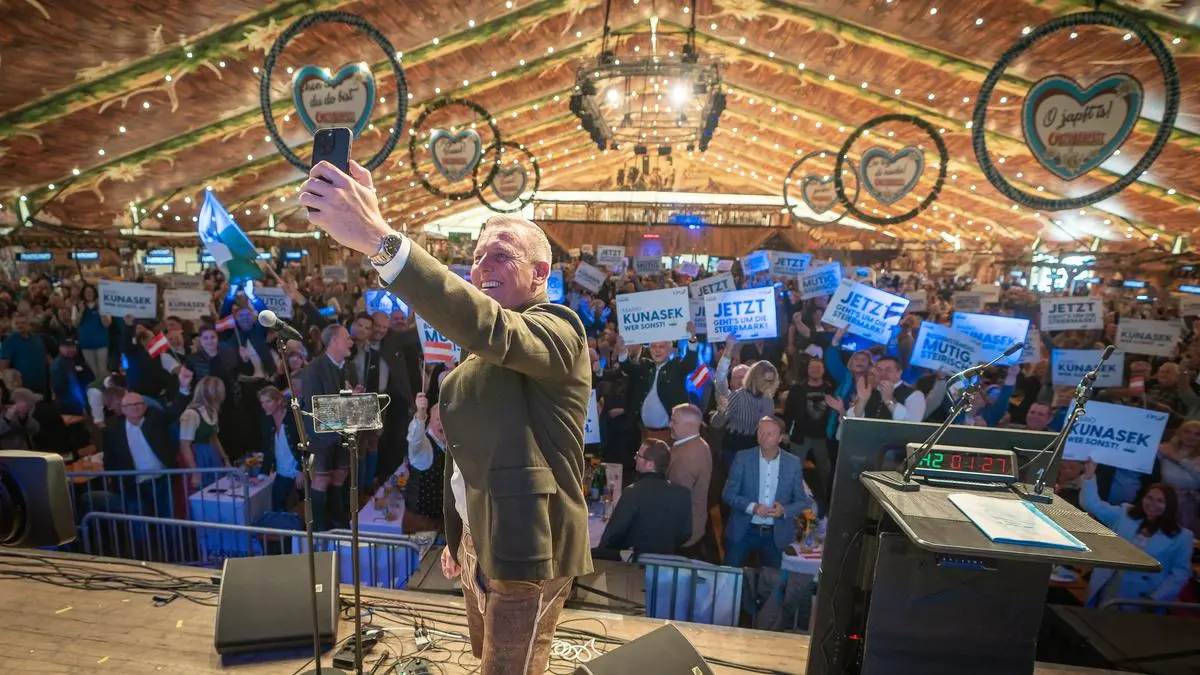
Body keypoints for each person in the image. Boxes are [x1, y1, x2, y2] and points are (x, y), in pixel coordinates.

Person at [302, 159, 591, 675]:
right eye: (477, 259)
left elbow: (489, 328)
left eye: (501, 256)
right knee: (488, 661)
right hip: (483, 541)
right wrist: (458, 540)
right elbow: (467, 458)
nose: (482, 269)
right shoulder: (477, 351)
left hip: (529, 549)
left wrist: (379, 238)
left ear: (540, 273)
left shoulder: (559, 329)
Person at [1080, 459, 1194, 610]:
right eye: (1149, 498)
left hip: (1144, 599)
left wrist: (1154, 599)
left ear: (1170, 506)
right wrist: (1089, 474)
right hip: (1108, 587)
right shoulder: (1124, 514)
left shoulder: (1182, 536)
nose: (1152, 504)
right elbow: (1092, 504)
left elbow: (1179, 573)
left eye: (1160, 501)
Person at [722, 416, 810, 568]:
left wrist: (783, 511)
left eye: (770, 434)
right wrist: (753, 507)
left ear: (781, 438)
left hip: (775, 534)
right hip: (744, 530)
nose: (763, 437)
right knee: (728, 577)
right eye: (760, 432)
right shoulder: (742, 458)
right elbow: (728, 494)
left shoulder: (793, 463)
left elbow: (802, 501)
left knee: (770, 584)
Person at [298, 324, 360, 531]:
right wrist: (348, 399)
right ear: (334, 341)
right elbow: (315, 406)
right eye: (347, 338)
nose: (351, 342)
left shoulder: (349, 367)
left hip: (343, 434)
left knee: (340, 476)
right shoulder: (313, 370)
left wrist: (357, 395)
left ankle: (338, 520)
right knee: (322, 480)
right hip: (321, 438)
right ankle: (318, 527)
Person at [593, 438, 691, 560]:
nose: (635, 458)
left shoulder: (633, 492)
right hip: (667, 564)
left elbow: (614, 534)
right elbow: (685, 533)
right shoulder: (684, 494)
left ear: (649, 464)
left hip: (637, 565)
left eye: (638, 455)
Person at [616, 325, 699, 444]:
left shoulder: (676, 366)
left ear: (669, 349)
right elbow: (627, 366)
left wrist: (692, 340)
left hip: (669, 434)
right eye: (654, 347)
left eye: (661, 346)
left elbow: (690, 362)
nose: (657, 350)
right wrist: (623, 350)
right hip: (644, 432)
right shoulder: (645, 365)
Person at [666, 403, 713, 559]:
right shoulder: (699, 444)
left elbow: (676, 500)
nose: (669, 425)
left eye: (674, 422)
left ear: (690, 425)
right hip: (695, 525)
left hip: (682, 531)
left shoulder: (686, 457)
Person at [403, 391, 447, 532]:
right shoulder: (423, 446)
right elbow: (415, 438)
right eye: (438, 419)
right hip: (420, 524)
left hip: (442, 520)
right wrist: (420, 413)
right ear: (430, 421)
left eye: (447, 419)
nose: (443, 424)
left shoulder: (449, 446)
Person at [178, 374, 230, 490]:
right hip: (197, 456)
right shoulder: (191, 414)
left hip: (211, 453)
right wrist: (195, 472)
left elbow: (214, 437)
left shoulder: (213, 411)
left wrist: (224, 458)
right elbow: (184, 446)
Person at [258, 385, 302, 512]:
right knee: (278, 509)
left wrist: (301, 469)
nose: (264, 406)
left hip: (297, 472)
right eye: (262, 402)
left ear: (279, 401)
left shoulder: (293, 418)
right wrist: (262, 474)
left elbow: (307, 445)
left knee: (298, 511)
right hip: (282, 473)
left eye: (268, 401)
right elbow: (268, 450)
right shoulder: (267, 422)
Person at [847, 356, 926, 422]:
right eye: (879, 370)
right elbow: (851, 419)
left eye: (888, 370)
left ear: (899, 372)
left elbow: (912, 422)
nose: (882, 373)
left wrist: (889, 400)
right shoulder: (869, 391)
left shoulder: (915, 395)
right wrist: (862, 401)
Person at [0, 313, 50, 397]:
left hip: (41, 384)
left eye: (23, 323)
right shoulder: (10, 341)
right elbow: (3, 366)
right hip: (23, 387)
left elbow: (45, 357)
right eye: (17, 323)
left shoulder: (37, 338)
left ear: (29, 324)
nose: (20, 326)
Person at [50, 338, 93, 417]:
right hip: (69, 404)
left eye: (72, 347)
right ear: (60, 348)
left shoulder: (73, 360)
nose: (71, 350)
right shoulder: (58, 366)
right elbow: (60, 388)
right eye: (67, 347)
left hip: (78, 400)